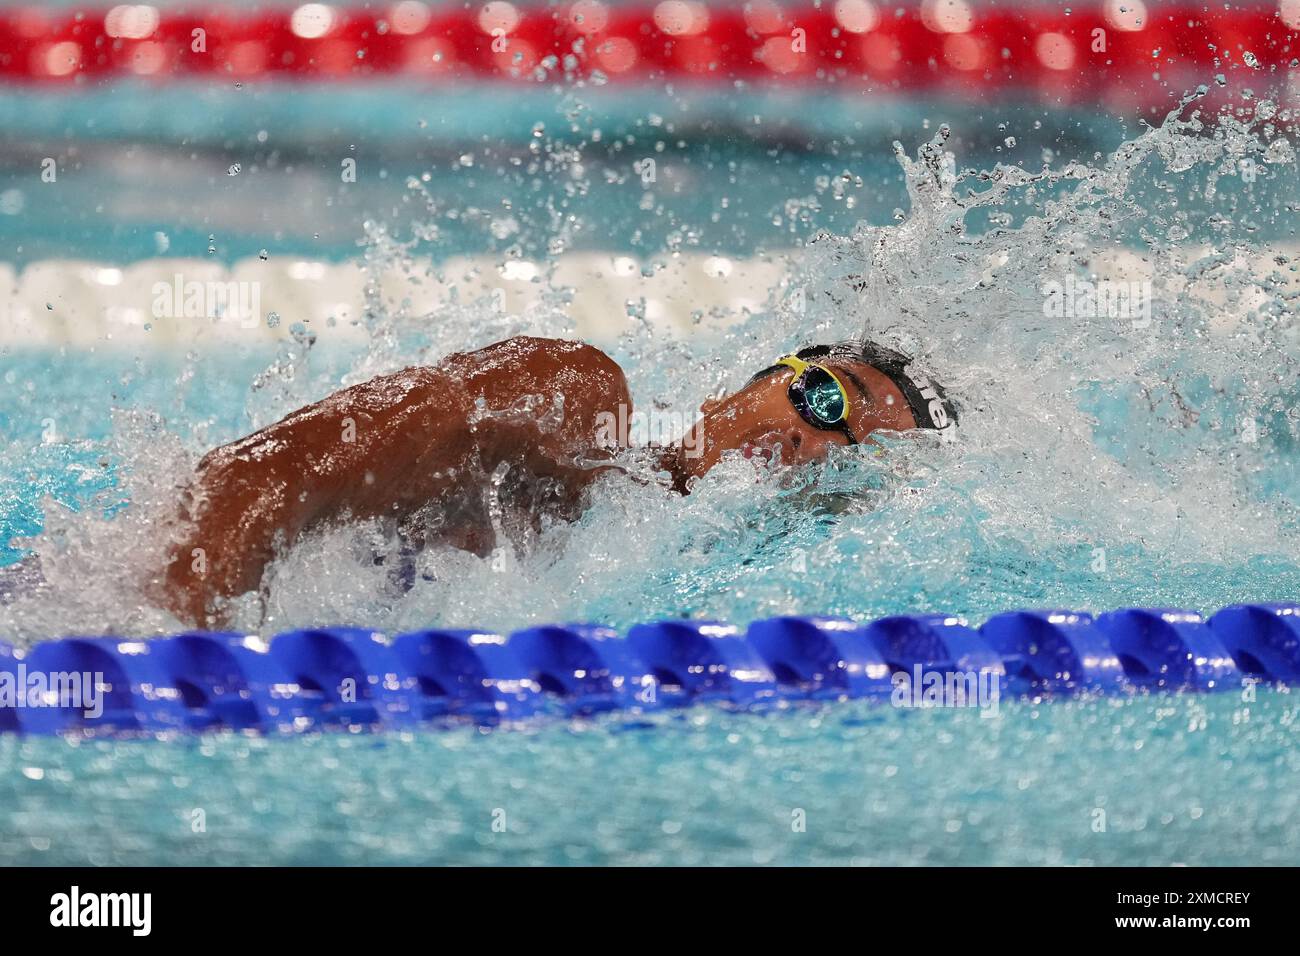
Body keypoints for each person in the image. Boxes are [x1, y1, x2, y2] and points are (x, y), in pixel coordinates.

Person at [155, 335, 956, 627]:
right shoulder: (574, 399)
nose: (811, 446)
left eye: (856, 458)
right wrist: (186, 644)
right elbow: (261, 473)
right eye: (826, 398)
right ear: (752, 382)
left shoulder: (655, 603)